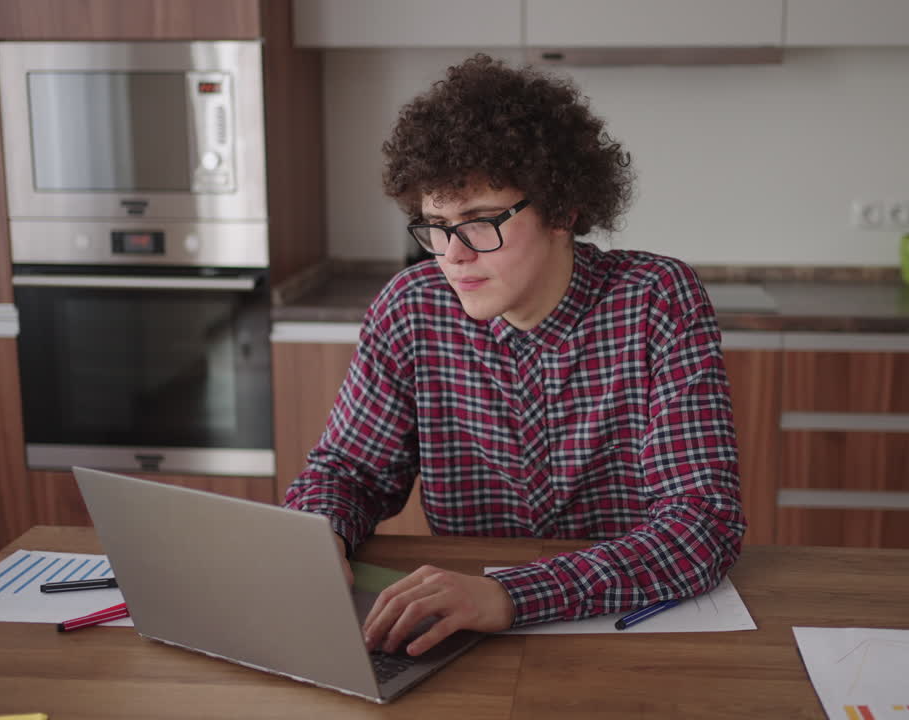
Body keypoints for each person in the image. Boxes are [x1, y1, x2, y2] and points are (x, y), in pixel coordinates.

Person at [284, 54, 745, 657]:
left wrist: (509, 596)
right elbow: (349, 473)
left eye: (478, 222)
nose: (452, 254)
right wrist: (320, 534)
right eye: (435, 225)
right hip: (463, 640)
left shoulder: (656, 299)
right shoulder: (411, 307)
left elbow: (701, 525)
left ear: (562, 209)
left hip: (625, 631)